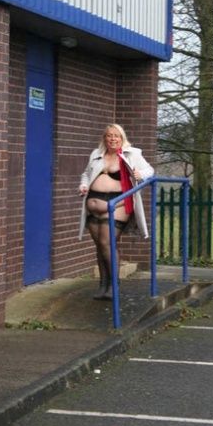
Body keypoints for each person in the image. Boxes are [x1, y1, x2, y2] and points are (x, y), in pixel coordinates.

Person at [78, 124, 154, 300]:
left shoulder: (132, 154)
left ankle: (114, 285)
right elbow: (86, 174)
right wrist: (83, 185)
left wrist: (140, 174)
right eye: (109, 136)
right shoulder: (96, 154)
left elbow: (150, 170)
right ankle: (103, 285)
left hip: (117, 203)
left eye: (116, 136)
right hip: (93, 205)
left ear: (122, 138)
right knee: (100, 246)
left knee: (107, 242)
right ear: (104, 138)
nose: (112, 139)